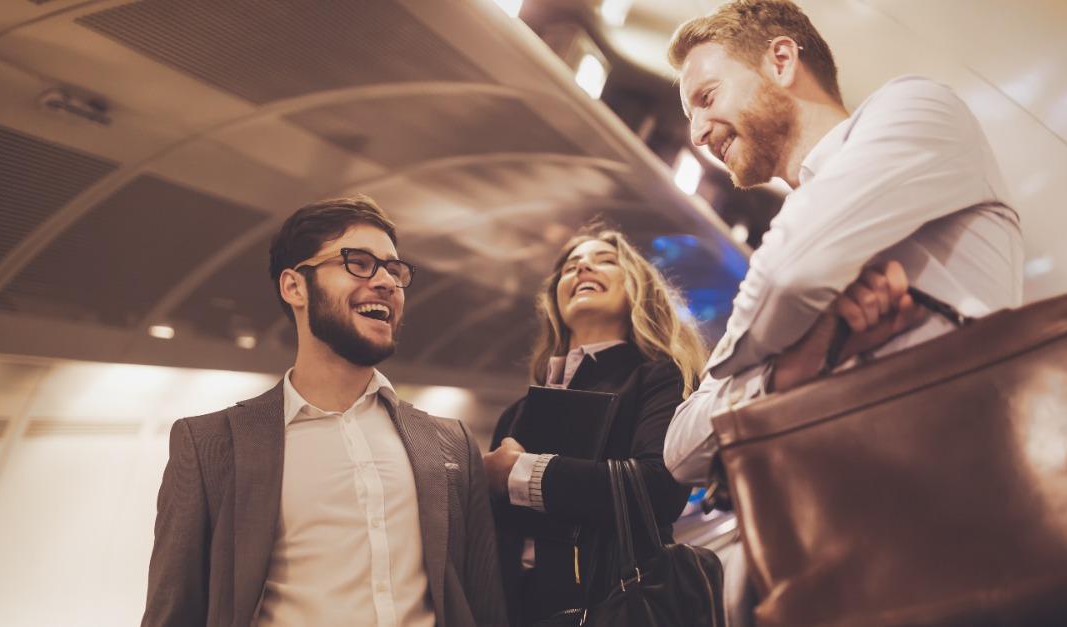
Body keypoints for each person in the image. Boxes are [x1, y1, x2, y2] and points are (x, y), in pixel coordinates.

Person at [661, 0, 1023, 482]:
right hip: (858, 525)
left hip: (969, 499)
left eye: (706, 97)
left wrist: (738, 375)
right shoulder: (793, 225)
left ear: (782, 61)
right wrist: (790, 367)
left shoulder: (916, 107)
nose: (698, 134)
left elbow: (791, 278)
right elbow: (680, 454)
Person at [141, 195, 506, 627]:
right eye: (359, 262)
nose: (387, 281)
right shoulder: (211, 446)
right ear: (294, 286)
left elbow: (484, 605)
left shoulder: (451, 443)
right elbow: (173, 613)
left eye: (394, 268)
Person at [482, 225, 709, 625]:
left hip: (614, 606)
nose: (584, 267)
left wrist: (517, 472)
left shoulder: (659, 378)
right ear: (556, 297)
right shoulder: (517, 411)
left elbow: (661, 489)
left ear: (638, 287)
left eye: (605, 261)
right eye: (571, 267)